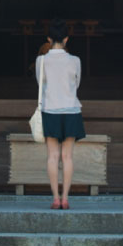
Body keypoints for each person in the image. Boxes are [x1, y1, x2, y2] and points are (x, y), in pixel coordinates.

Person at [36, 23, 85, 209]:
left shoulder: (41, 61)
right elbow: (77, 83)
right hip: (71, 110)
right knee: (68, 157)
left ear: (48, 39)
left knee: (52, 156)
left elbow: (40, 84)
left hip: (50, 109)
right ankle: (65, 198)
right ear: (66, 39)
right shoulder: (75, 61)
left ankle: (55, 198)